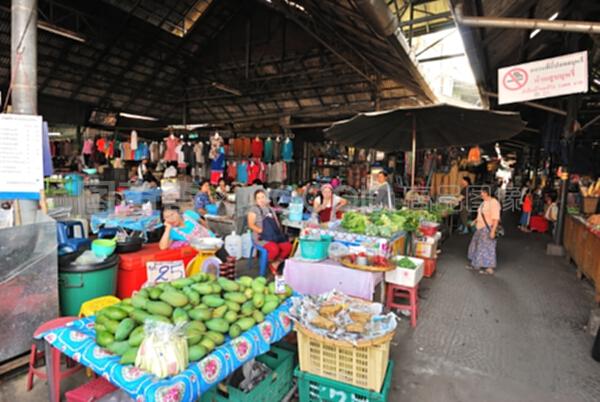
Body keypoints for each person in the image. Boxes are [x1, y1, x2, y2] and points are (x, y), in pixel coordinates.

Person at [159, 206, 229, 261]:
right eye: (166, 217)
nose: (171, 219)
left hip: (215, 244)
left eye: (172, 214)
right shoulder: (172, 231)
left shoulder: (189, 214)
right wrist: (167, 229)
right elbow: (163, 247)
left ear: (179, 213)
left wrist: (209, 232)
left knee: (227, 264)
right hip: (201, 254)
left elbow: (202, 222)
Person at [247, 189, 292, 275]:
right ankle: (267, 263)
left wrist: (279, 234)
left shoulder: (270, 209)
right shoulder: (253, 210)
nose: (261, 200)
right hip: (261, 237)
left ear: (266, 198)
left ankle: (275, 263)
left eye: (263, 197)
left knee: (288, 247)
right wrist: (261, 231)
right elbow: (251, 225)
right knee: (274, 249)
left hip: (273, 236)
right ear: (255, 200)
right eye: (258, 198)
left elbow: (276, 223)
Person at [467, 187, 501, 275]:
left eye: (482, 192)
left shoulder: (494, 202)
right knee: (477, 246)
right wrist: (474, 221)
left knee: (488, 248)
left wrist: (493, 231)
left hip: (488, 228)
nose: (480, 193)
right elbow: (480, 214)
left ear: (487, 193)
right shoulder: (484, 202)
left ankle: (489, 268)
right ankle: (476, 264)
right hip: (480, 228)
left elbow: (496, 219)